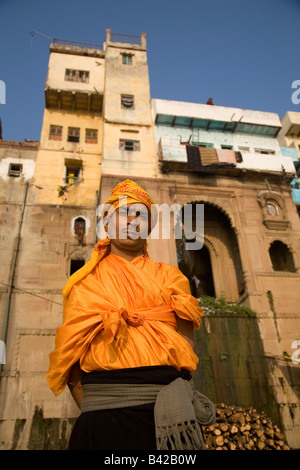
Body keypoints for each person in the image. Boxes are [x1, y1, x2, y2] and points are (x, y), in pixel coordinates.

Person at [47, 179, 214, 450]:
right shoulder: (83, 283)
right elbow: (71, 360)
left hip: (170, 415)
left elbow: (186, 347)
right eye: (124, 212)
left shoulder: (171, 277)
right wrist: (99, 406)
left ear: (149, 227)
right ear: (106, 220)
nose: (133, 221)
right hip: (102, 416)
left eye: (142, 215)